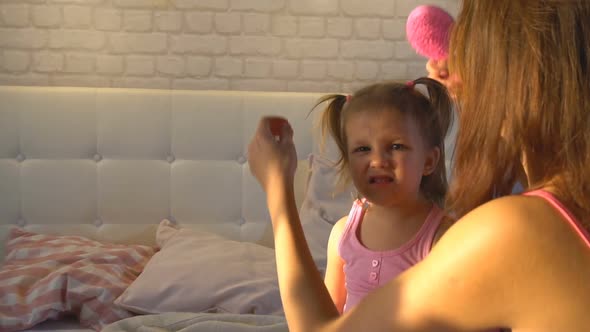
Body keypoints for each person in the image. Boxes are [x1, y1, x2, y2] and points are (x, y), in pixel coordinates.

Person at [247, 1, 590, 331]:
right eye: (363, 149)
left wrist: (278, 189)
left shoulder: (516, 231)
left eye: (479, 61)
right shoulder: (564, 216)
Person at [313, 79, 454, 314]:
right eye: (362, 149)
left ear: (429, 161)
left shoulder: (442, 237)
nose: (378, 161)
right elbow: (329, 315)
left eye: (396, 146)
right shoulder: (342, 234)